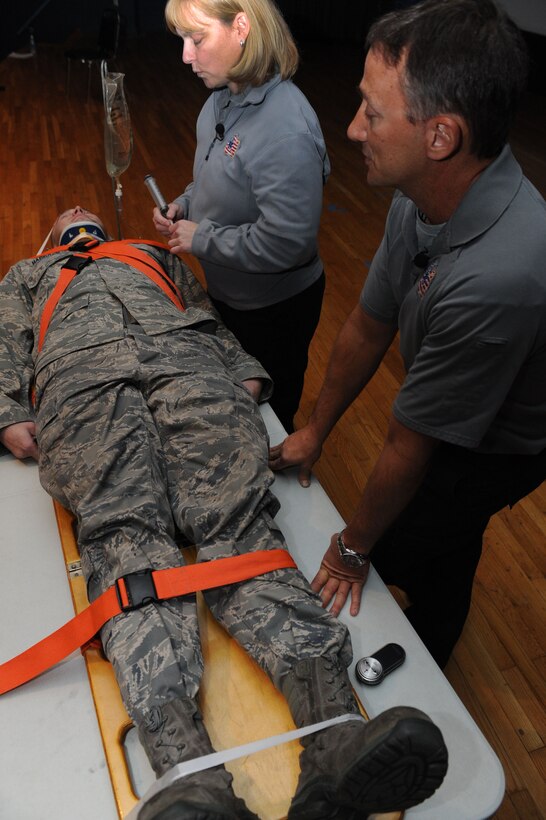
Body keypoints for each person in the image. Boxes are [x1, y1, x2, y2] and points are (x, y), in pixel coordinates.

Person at [0, 206, 448, 819]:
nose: (79, 212)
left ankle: (335, 737)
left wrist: (240, 372)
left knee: (239, 528)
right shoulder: (29, 274)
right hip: (81, 383)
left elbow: (202, 312)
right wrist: (7, 414)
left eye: (87, 210)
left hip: (190, 369)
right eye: (66, 215)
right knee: (128, 545)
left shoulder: (152, 255)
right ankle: (190, 775)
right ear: (51, 236)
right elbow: (4, 341)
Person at [270, 0, 546, 670]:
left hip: (505, 444)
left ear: (441, 137)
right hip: (451, 400)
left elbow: (410, 437)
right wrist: (314, 429)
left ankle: (435, 645)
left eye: (373, 111)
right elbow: (368, 325)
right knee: (428, 529)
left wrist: (354, 550)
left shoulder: (500, 274)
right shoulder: (417, 196)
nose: (352, 125)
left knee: (429, 530)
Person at [152, 0, 329, 434]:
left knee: (267, 422)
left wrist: (203, 239)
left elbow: (289, 243)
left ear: (242, 27)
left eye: (197, 39)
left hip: (275, 310)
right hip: (232, 293)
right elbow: (217, 180)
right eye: (182, 41)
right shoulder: (221, 99)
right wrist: (184, 205)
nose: (186, 56)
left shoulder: (285, 128)